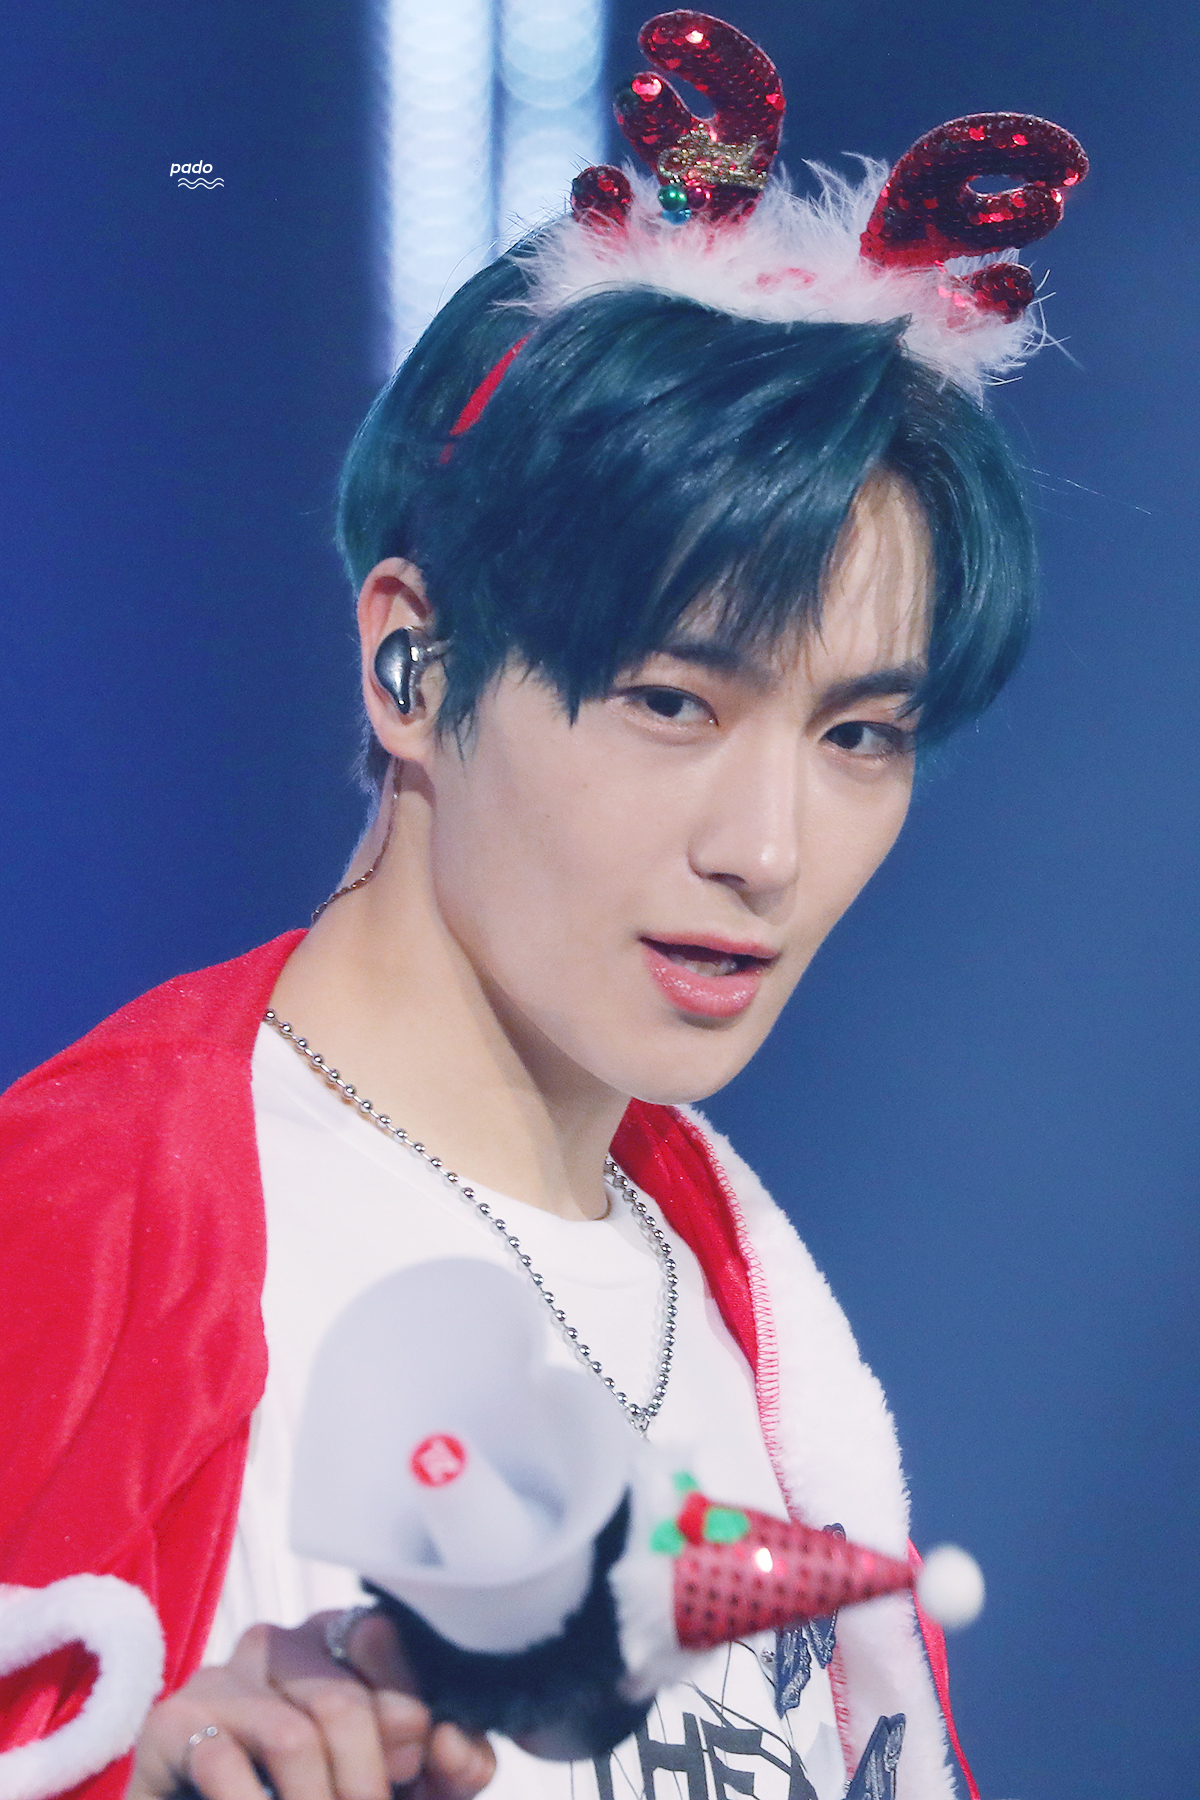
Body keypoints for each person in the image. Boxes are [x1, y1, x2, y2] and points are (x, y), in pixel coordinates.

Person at [0, 13, 1086, 1800]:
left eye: (859, 735)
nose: (768, 849)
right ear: (412, 663)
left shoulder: (746, 1316)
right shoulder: (88, 1231)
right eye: (674, 701)